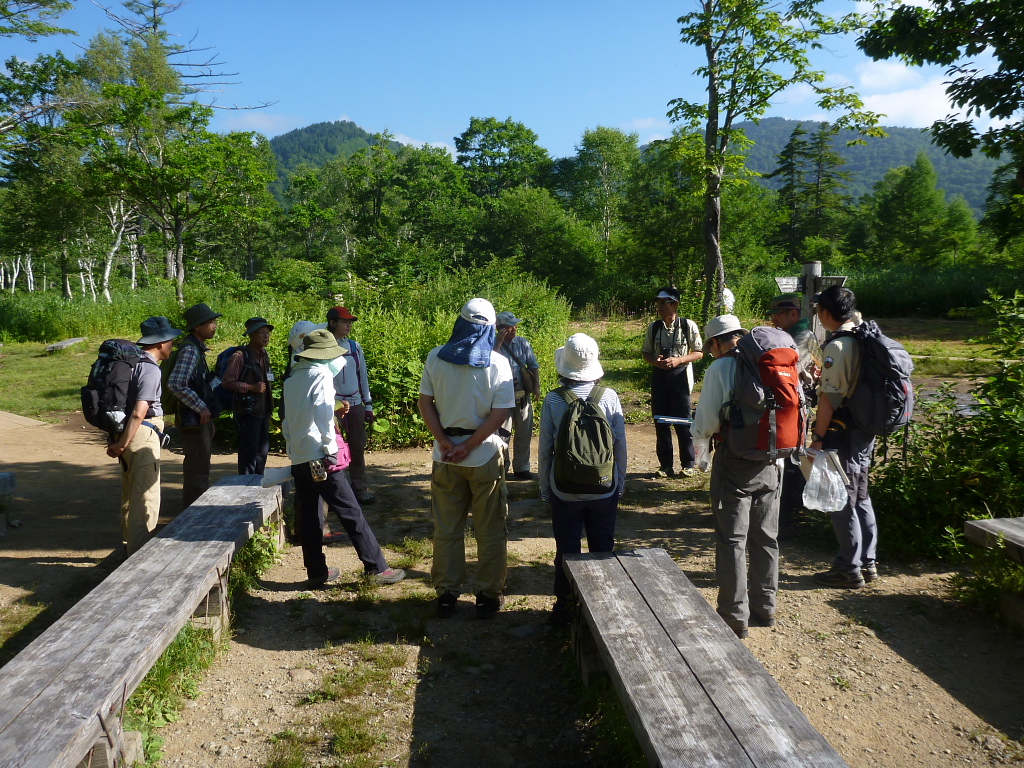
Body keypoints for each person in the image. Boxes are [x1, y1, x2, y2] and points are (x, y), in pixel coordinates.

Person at [282, 329, 405, 587]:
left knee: (309, 517)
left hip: (301, 457)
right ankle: (377, 568)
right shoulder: (321, 375)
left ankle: (316, 573)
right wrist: (331, 450)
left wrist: (294, 450)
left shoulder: (293, 379)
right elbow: (324, 416)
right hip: (321, 457)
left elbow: (288, 421)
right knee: (351, 512)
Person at [417, 298, 515, 619]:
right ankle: (488, 595)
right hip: (484, 454)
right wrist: (471, 445)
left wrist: (445, 441)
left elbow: (425, 403)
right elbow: (500, 412)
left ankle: (446, 594)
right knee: (489, 529)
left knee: (446, 528)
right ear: (490, 328)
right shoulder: (498, 364)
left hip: (445, 456)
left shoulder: (435, 357)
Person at [692, 315, 783, 639]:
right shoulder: (770, 358)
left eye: (710, 346)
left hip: (734, 461)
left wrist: (699, 449)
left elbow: (705, 423)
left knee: (732, 539)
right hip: (773, 460)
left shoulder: (721, 368)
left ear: (716, 342)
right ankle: (766, 607)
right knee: (765, 536)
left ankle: (734, 615)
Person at [538, 334, 627, 626]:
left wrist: (545, 489)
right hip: (604, 488)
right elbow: (619, 445)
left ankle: (564, 607)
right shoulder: (609, 397)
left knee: (566, 548)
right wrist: (619, 483)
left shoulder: (553, 399)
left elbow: (545, 449)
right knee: (603, 547)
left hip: (564, 489)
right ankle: (605, 609)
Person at [810, 285, 877, 589]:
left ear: (825, 312)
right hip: (865, 428)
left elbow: (829, 399)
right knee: (861, 495)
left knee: (842, 499)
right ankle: (868, 562)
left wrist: (817, 437)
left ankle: (848, 568)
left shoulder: (837, 347)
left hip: (843, 431)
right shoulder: (864, 335)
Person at [106, 316, 181, 556]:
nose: (172, 344)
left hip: (125, 433)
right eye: (170, 340)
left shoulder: (132, 363)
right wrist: (122, 444)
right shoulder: (150, 369)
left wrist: (118, 442)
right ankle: (139, 557)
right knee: (146, 498)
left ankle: (128, 546)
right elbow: (139, 413)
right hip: (141, 434)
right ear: (160, 343)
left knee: (130, 494)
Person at [767, 294, 821, 537]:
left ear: (794, 313)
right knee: (785, 453)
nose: (774, 318)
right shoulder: (788, 335)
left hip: (800, 401)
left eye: (779, 313)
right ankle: (786, 509)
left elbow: (790, 365)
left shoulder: (803, 336)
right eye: (773, 314)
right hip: (788, 399)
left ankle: (792, 512)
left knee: (793, 455)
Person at [641, 287, 703, 477]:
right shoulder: (654, 327)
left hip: (682, 376)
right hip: (659, 376)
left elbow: (699, 352)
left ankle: (688, 464)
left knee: (683, 422)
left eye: (663, 302)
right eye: (658, 302)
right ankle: (665, 466)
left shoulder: (688, 325)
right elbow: (646, 352)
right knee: (661, 421)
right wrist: (656, 362)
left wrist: (678, 360)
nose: (659, 306)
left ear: (675, 304)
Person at [168, 302, 223, 509]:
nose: (214, 326)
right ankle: (192, 516)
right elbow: (176, 383)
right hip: (193, 419)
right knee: (197, 469)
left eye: (214, 321)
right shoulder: (190, 350)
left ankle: (193, 512)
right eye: (210, 322)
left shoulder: (196, 348)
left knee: (199, 467)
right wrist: (202, 408)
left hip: (199, 420)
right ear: (197, 327)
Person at [327, 307, 376, 505]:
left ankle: (360, 490)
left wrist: (368, 404)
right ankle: (335, 492)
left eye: (350, 322)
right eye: (344, 321)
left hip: (355, 404)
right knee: (331, 450)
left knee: (357, 447)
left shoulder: (355, 347)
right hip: (332, 406)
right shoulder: (323, 346)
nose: (349, 325)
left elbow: (362, 376)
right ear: (332, 323)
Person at [222, 317, 275, 476]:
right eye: (262, 332)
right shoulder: (240, 356)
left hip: (263, 411)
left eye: (267, 332)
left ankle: (258, 484)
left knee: (262, 451)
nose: (266, 336)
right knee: (249, 453)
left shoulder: (264, 354)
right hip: (248, 413)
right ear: (251, 335)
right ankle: (244, 485)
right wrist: (251, 387)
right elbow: (227, 382)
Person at [494, 310, 541, 480]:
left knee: (524, 433)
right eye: (509, 326)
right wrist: (498, 343)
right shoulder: (492, 344)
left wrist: (537, 386)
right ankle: (502, 467)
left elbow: (533, 365)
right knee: (501, 433)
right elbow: (490, 365)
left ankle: (522, 468)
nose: (514, 329)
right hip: (501, 397)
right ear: (499, 328)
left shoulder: (522, 343)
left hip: (522, 396)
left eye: (515, 325)